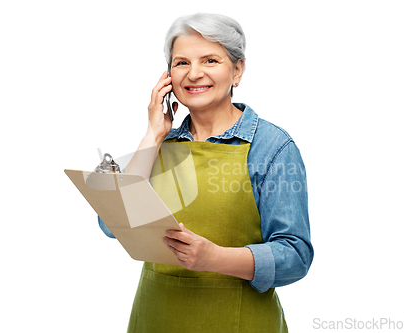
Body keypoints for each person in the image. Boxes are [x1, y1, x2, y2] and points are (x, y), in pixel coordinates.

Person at [98, 13, 313, 332]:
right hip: (155, 319)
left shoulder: (272, 147)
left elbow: (295, 255)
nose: (194, 74)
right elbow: (113, 225)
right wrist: (153, 135)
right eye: (181, 62)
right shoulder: (161, 143)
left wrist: (215, 258)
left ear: (237, 70)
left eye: (210, 60)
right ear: (168, 76)